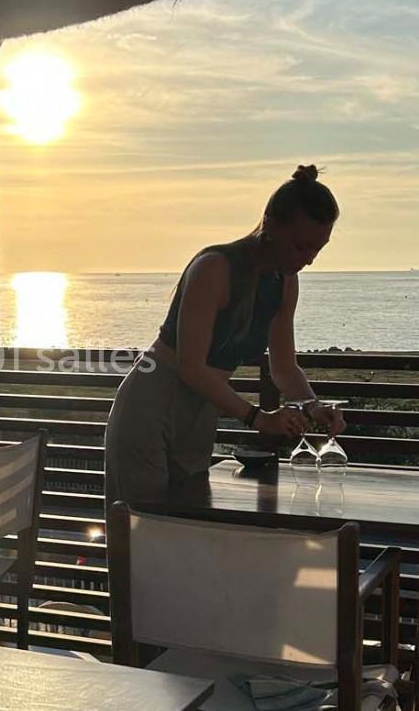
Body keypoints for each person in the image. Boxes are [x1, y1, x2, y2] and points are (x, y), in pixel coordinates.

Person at [104, 164, 348, 510]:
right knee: (140, 530)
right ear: (270, 224)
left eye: (317, 249)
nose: (308, 259)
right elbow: (191, 367)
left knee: (187, 528)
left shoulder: (285, 283)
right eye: (300, 245)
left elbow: (283, 366)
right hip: (152, 401)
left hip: (202, 411)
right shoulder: (215, 267)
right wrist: (257, 417)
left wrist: (313, 405)